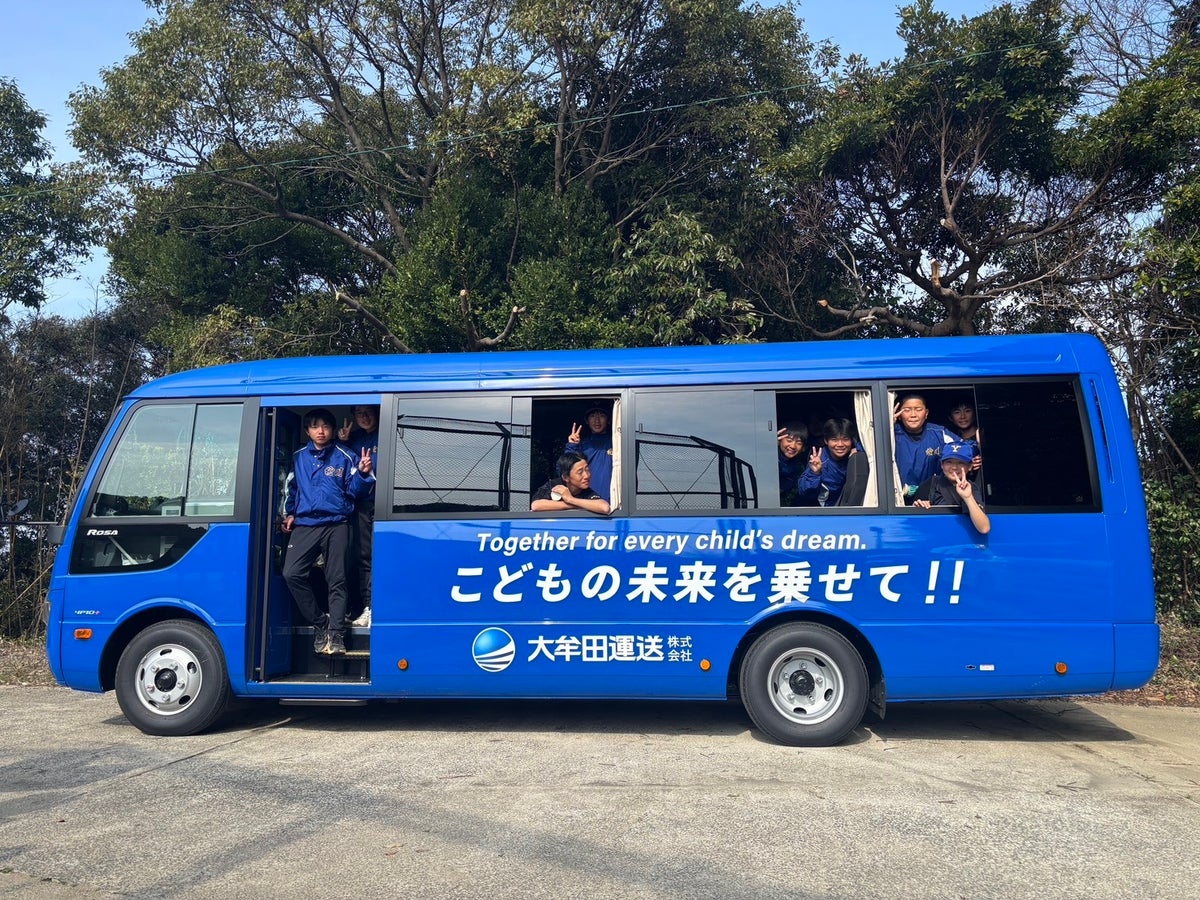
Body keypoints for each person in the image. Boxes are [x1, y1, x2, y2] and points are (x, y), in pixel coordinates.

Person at [282, 408, 375, 655]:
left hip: (337, 523)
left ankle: (336, 635)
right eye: (315, 427)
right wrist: (289, 513)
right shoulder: (298, 457)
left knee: (337, 580)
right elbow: (290, 488)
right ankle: (320, 623)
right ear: (307, 431)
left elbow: (355, 491)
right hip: (305, 524)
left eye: (325, 426)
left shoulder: (345, 455)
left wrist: (363, 474)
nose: (321, 431)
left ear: (332, 430)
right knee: (291, 574)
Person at [338, 405, 379, 629]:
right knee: (363, 557)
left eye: (368, 411)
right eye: (359, 413)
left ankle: (376, 605)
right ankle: (367, 606)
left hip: (388, 504)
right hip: (362, 505)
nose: (364, 417)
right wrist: (343, 442)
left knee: (383, 556)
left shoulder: (390, 430)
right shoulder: (352, 440)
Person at [913, 442, 991, 534]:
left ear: (970, 466)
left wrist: (968, 497)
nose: (954, 467)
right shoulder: (931, 484)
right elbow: (914, 522)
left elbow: (984, 528)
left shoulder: (972, 488)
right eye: (949, 462)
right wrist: (918, 507)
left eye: (960, 462)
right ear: (942, 465)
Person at [893, 393, 949, 504]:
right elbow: (867, 447)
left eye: (918, 409)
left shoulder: (939, 433)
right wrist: (887, 426)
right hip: (897, 501)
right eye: (907, 410)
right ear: (899, 414)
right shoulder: (892, 433)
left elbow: (964, 447)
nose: (913, 415)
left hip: (931, 501)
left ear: (926, 413)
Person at [798, 418, 862, 506]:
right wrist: (815, 473)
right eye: (834, 440)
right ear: (826, 441)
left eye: (845, 439)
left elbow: (871, 444)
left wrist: (859, 448)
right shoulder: (819, 460)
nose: (840, 444)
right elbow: (804, 492)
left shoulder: (855, 452)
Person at [531, 452, 611, 515]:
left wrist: (570, 499)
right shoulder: (554, 485)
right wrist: (574, 505)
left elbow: (604, 507)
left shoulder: (586, 491)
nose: (586, 476)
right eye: (580, 472)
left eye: (587, 470)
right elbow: (536, 505)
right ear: (566, 477)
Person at [565, 403, 614, 501]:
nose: (597, 420)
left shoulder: (617, 441)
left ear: (609, 420)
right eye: (592, 416)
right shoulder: (581, 444)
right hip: (588, 501)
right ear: (586, 421)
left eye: (602, 416)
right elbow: (566, 468)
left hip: (615, 501)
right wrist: (572, 445)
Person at [776, 423, 810, 506]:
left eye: (799, 443)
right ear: (779, 440)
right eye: (789, 440)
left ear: (803, 448)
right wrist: (769, 448)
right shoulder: (770, 460)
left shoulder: (801, 466)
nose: (793, 446)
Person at [945, 399, 982, 474]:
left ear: (975, 413)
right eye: (957, 412)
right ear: (950, 417)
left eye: (967, 411)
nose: (963, 416)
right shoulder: (950, 440)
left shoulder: (983, 436)